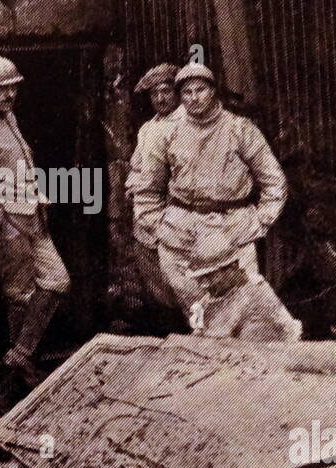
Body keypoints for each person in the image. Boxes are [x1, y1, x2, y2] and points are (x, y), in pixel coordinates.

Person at [132, 62, 288, 320]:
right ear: (181, 98)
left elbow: (273, 180)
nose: (194, 98)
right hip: (180, 233)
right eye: (187, 92)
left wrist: (261, 220)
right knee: (197, 315)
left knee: (244, 312)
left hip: (232, 230)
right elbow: (148, 188)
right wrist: (158, 227)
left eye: (200, 90)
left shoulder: (240, 129)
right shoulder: (166, 134)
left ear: (213, 91)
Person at [0, 55, 71, 379]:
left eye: (13, 88)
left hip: (30, 214)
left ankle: (19, 355)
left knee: (57, 280)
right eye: (1, 90)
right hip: (8, 224)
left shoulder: (6, 116)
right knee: (20, 295)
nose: (10, 95)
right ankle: (19, 375)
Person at [125, 62, 182, 315]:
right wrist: (133, 185)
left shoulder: (186, 125)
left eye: (166, 91)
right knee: (156, 289)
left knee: (181, 288)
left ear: (177, 92)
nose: (160, 98)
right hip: (144, 222)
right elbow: (135, 166)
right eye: (154, 93)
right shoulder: (148, 128)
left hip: (172, 219)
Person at [187, 230, 302, 342]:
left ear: (232, 267)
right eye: (200, 278)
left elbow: (244, 350)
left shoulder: (256, 295)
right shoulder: (210, 299)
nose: (203, 284)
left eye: (209, 276)